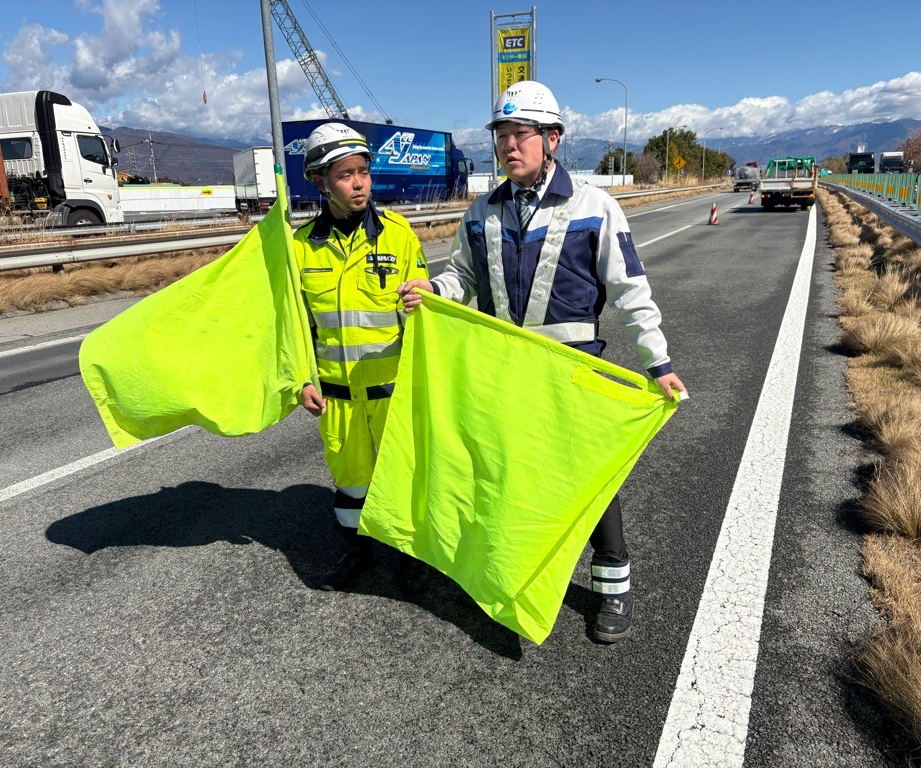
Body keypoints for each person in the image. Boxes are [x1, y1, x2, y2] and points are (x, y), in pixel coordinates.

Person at [398, 81, 687, 643]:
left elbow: (630, 291)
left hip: (571, 370)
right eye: (502, 136)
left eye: (521, 135)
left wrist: (659, 362)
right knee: (507, 472)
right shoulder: (481, 211)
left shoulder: (595, 206)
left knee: (589, 481)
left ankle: (613, 587)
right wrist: (434, 290)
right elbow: (462, 277)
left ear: (552, 139)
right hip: (504, 371)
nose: (509, 146)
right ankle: (507, 574)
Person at [294, 122, 431, 596]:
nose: (359, 184)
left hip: (392, 390)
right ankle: (357, 551)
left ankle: (412, 557)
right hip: (336, 396)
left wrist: (426, 299)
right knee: (351, 483)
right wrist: (301, 381)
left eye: (364, 172)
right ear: (320, 182)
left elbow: (427, 317)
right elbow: (296, 327)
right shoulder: (300, 247)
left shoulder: (398, 235)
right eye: (345, 175)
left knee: (403, 476)